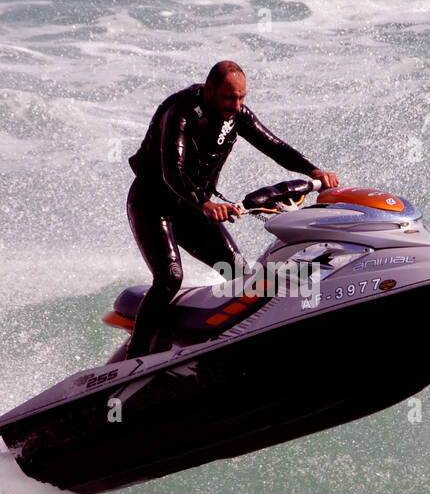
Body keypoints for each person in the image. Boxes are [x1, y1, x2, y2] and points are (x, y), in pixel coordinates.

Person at [125, 60, 339, 358]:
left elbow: (274, 146)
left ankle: (238, 340)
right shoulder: (180, 112)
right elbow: (171, 171)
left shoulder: (236, 115)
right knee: (170, 278)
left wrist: (314, 171)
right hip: (153, 206)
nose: (237, 105)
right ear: (209, 90)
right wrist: (205, 203)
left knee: (240, 273)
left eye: (242, 98)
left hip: (193, 208)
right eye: (230, 98)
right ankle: (133, 357)